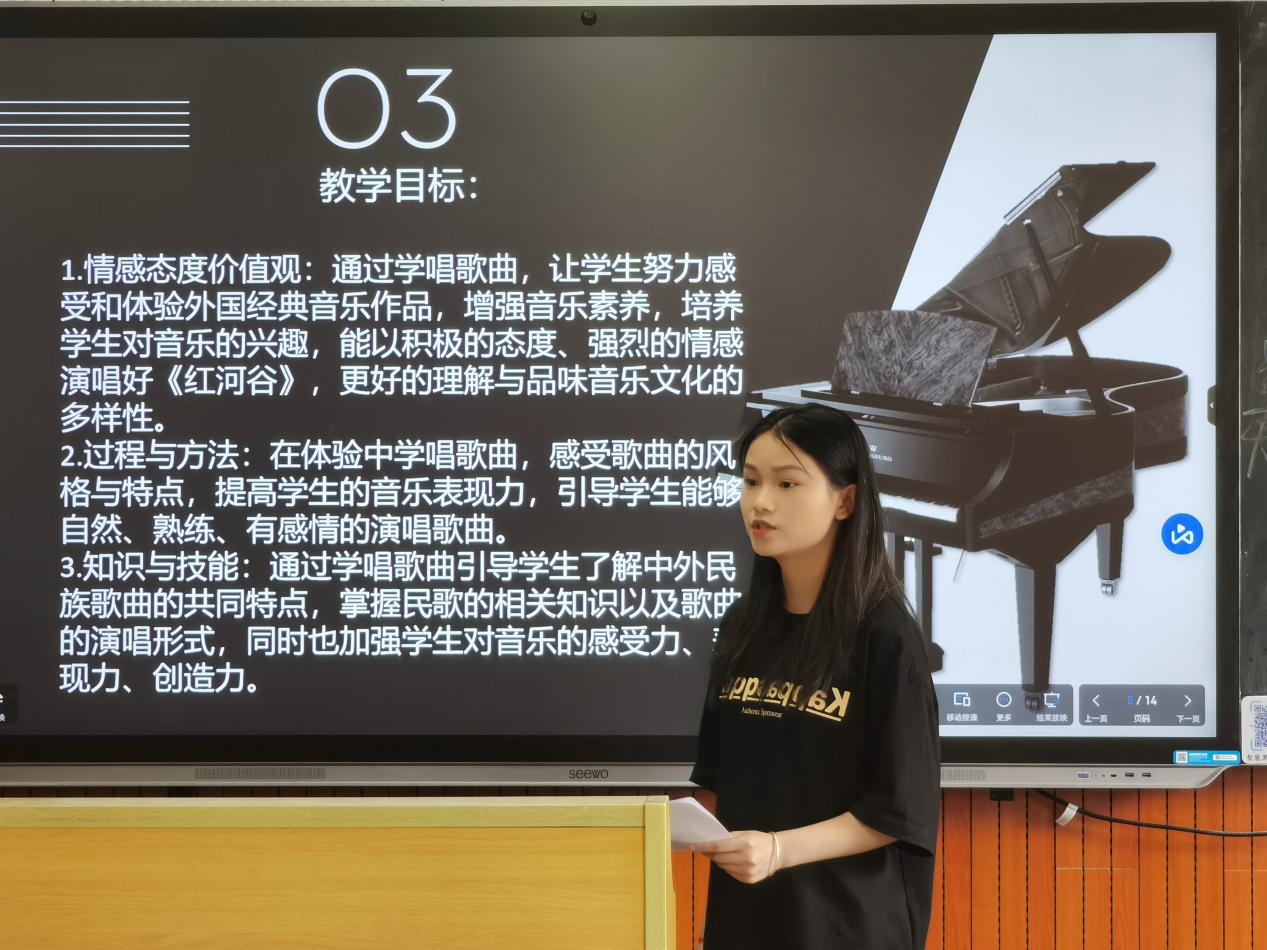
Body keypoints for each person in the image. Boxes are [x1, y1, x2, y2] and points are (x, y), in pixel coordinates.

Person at [689, 402, 941, 949]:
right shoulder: (742, 627)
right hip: (746, 922)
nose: (760, 502)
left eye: (786, 484)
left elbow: (897, 810)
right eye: (750, 481)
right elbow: (730, 783)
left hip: (847, 925)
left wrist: (779, 850)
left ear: (845, 501)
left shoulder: (885, 634)